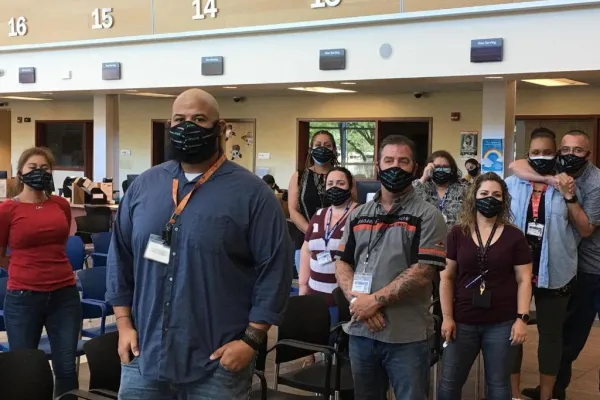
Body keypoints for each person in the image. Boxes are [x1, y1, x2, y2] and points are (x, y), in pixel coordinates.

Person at [106, 88, 292, 399]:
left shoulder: (253, 194)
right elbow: (120, 258)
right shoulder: (144, 186)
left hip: (216, 363)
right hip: (145, 356)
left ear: (220, 128)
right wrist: (124, 324)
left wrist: (251, 340)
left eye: (199, 119)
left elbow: (275, 271)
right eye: (179, 120)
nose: (187, 127)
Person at [335, 134, 447, 400]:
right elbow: (342, 262)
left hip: (405, 337)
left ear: (415, 169)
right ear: (378, 166)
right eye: (388, 160)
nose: (395, 167)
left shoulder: (428, 216)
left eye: (403, 161)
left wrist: (374, 301)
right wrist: (359, 302)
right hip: (362, 331)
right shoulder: (358, 214)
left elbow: (423, 271)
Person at [511, 129, 600, 400]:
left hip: (580, 268)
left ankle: (551, 392)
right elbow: (515, 165)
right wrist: (549, 179)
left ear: (588, 154)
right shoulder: (538, 175)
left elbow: (584, 230)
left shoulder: (589, 185)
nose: (571, 155)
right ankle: (535, 392)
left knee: (563, 336)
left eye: (578, 150)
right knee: (526, 331)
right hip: (529, 268)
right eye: (566, 150)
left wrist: (567, 194)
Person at [437, 172, 533, 400]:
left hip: (502, 322)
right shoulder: (457, 233)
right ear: (474, 197)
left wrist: (522, 318)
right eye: (484, 193)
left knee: (499, 386)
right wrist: (447, 317)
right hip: (462, 320)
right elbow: (446, 277)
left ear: (504, 200)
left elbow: (524, 279)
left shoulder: (515, 236)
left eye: (496, 195)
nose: (490, 198)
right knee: (449, 384)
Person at [0, 147, 82, 398]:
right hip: (23, 298)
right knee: (26, 370)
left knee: (66, 368)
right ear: (20, 173)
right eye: (33, 168)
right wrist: (24, 268)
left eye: (45, 168)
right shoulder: (7, 210)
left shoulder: (60, 205)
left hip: (64, 295)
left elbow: (59, 243)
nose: (39, 172)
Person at [505, 128, 577, 400]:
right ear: (528, 154)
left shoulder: (567, 184)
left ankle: (546, 395)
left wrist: (564, 191)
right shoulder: (512, 184)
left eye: (547, 152)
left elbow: (581, 226)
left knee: (551, 336)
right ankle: (513, 394)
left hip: (556, 269)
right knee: (513, 332)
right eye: (536, 152)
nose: (542, 156)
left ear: (556, 153)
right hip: (515, 272)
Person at [299, 167, 358, 324]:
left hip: (344, 300)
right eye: (330, 184)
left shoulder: (360, 214)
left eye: (340, 183)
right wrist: (302, 288)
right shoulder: (319, 215)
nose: (334, 187)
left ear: (350, 186)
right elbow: (306, 250)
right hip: (314, 296)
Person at [288, 131, 339, 273]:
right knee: (306, 283)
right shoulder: (299, 176)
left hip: (337, 242)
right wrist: (313, 234)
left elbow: (352, 209)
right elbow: (293, 210)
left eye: (327, 145)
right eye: (318, 145)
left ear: (334, 150)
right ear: (311, 150)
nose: (322, 149)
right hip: (305, 241)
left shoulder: (343, 177)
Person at [413, 150, 467, 229]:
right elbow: (408, 198)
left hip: (454, 235)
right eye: (437, 167)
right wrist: (424, 177)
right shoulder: (422, 187)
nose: (441, 170)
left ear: (451, 169)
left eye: (445, 167)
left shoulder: (462, 189)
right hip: (427, 234)